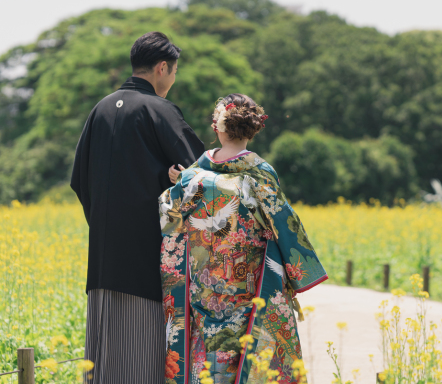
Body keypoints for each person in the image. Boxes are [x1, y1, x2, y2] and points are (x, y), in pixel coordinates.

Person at [160, 94, 327, 384]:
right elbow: (284, 222)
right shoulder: (259, 175)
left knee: (206, 345)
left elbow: (170, 217)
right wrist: (298, 270)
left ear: (218, 128)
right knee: (250, 346)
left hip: (204, 283)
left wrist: (179, 182)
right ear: (252, 129)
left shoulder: (195, 179)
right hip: (250, 280)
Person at [70, 32, 205, 384]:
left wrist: (106, 222)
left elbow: (79, 180)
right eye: (173, 73)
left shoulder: (100, 109)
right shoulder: (160, 110)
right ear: (162, 68)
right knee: (140, 360)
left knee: (103, 360)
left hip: (102, 256)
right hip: (148, 256)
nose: (172, 81)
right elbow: (202, 175)